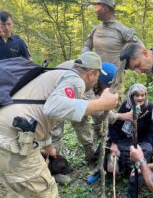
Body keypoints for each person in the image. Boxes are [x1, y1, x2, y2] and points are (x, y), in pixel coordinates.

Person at [0, 51, 118, 197]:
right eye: (98, 77)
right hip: (13, 141)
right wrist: (102, 104)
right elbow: (53, 108)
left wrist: (48, 146)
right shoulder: (76, 80)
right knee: (46, 192)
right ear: (91, 73)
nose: (96, 82)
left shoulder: (56, 75)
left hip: (7, 134)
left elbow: (41, 112)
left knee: (16, 191)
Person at [82, 0, 145, 102]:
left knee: (111, 112)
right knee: (93, 109)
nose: (95, 10)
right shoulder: (95, 30)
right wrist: (86, 59)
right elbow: (87, 46)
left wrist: (127, 65)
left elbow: (141, 49)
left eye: (97, 6)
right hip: (94, 79)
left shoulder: (122, 30)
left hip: (114, 81)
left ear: (105, 8)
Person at [107, 83, 153, 175]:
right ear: (131, 96)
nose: (140, 98)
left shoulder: (150, 108)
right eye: (137, 95)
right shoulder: (126, 107)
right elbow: (114, 125)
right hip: (126, 138)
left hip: (143, 140)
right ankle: (122, 168)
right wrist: (114, 143)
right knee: (111, 149)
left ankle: (137, 171)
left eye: (142, 95)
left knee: (147, 150)